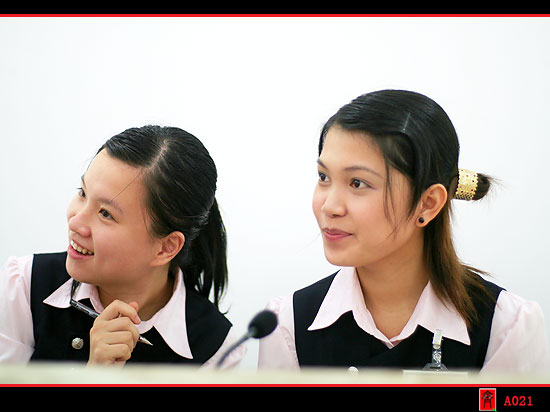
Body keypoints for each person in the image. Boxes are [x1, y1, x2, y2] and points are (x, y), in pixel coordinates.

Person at [258, 90, 548, 373]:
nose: (330, 206)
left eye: (357, 183)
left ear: (428, 203)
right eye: (323, 177)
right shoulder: (286, 325)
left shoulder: (506, 327)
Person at [0, 125, 244, 367]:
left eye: (105, 213)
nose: (75, 222)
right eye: (82, 193)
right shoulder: (23, 285)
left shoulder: (216, 349)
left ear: (166, 248)